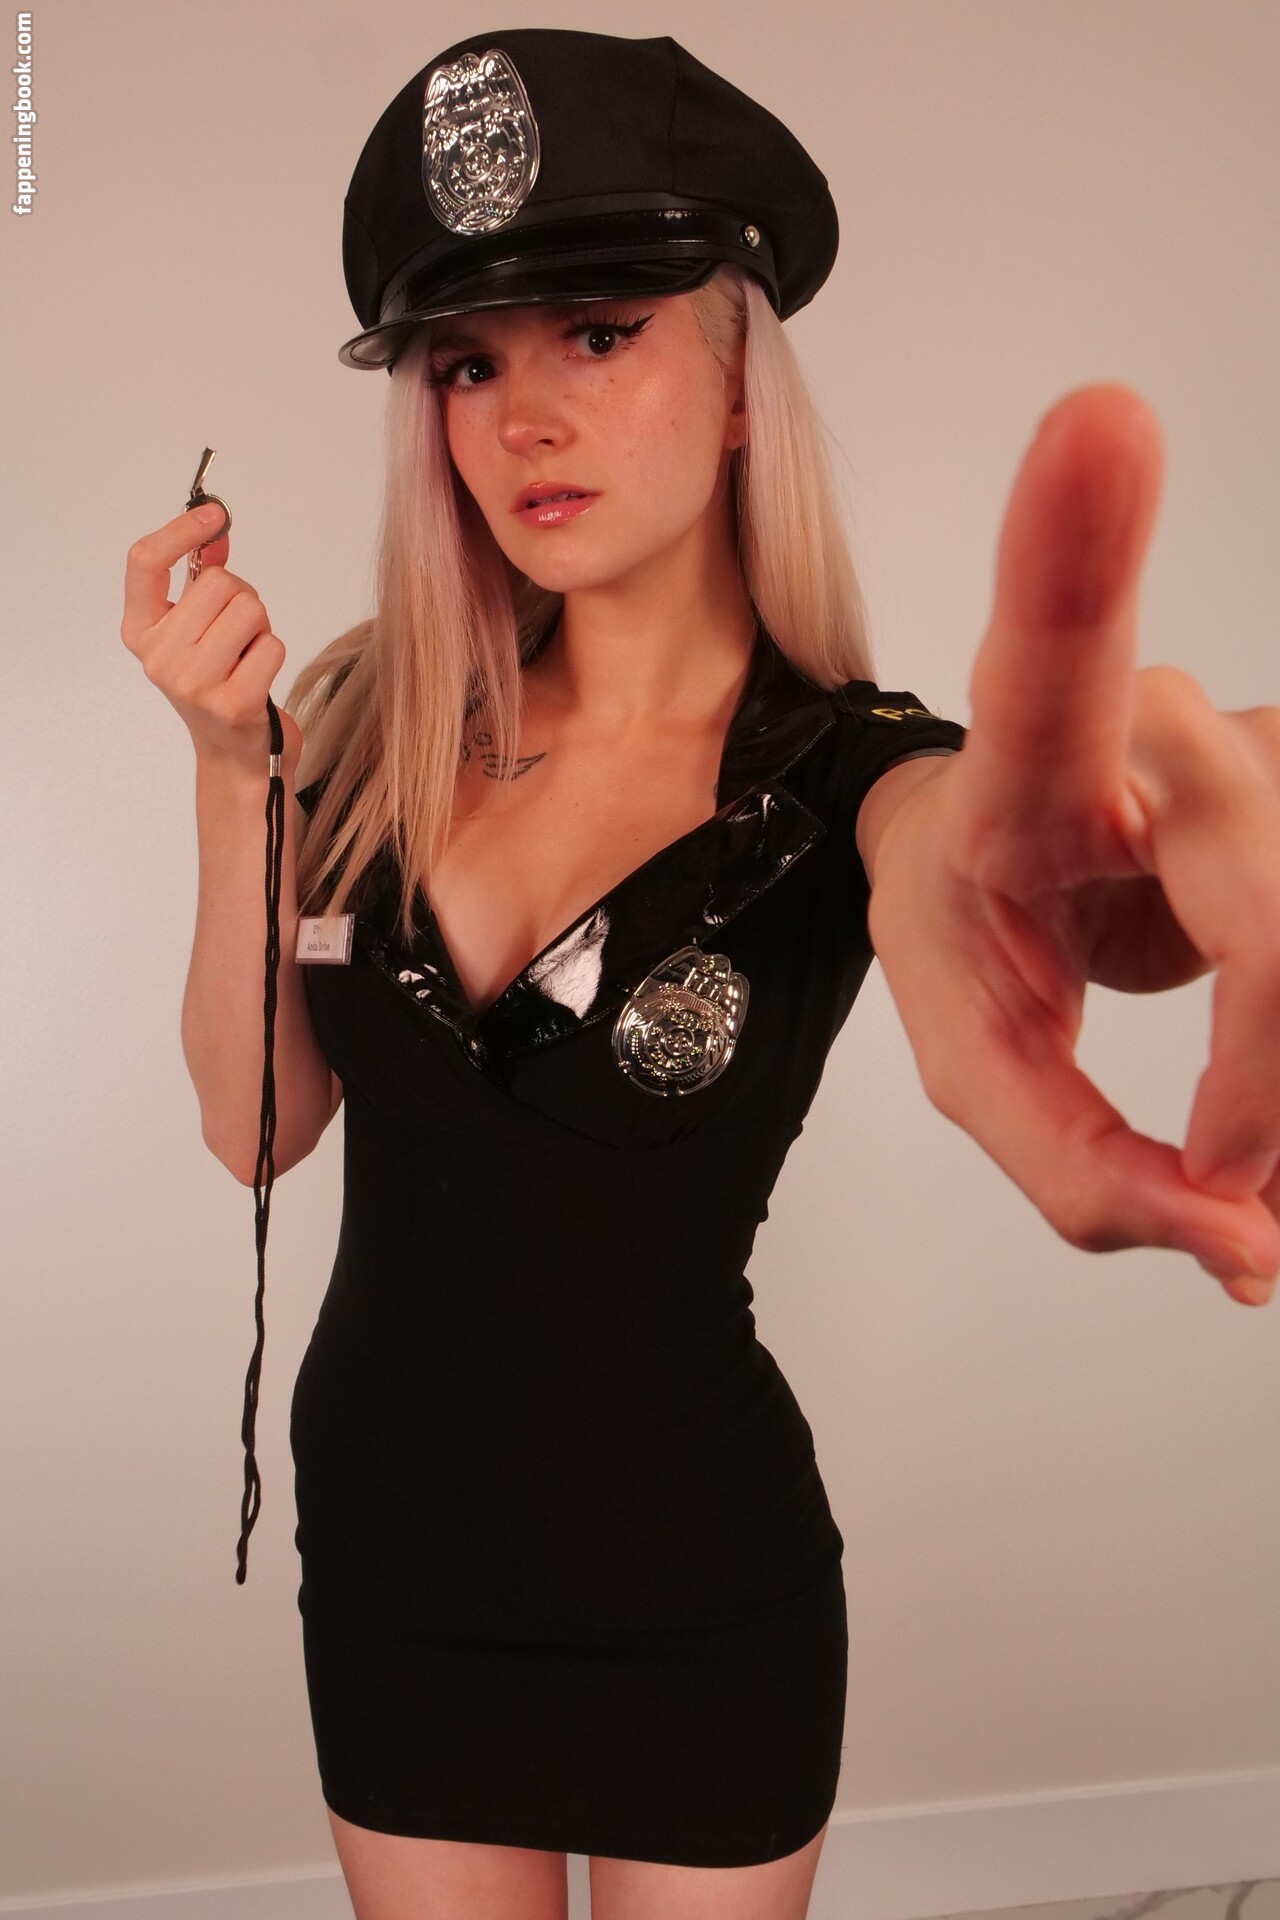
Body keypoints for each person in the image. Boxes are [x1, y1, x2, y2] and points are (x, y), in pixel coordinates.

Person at [119, 27, 1280, 1920]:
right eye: (467, 363)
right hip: (398, 1580)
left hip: (699, 1600)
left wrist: (1109, 841)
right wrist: (231, 770)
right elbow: (256, 1132)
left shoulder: (848, 777)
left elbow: (971, 845)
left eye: (599, 334)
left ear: (740, 380)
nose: (523, 418)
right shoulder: (366, 724)